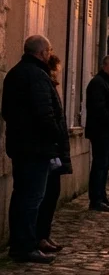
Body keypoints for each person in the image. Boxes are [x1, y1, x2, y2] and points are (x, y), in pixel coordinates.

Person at [2, 36, 66, 263]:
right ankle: (24, 246)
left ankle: (23, 243)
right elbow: (44, 114)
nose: (50, 55)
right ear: (41, 53)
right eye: (48, 51)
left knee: (22, 196)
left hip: (22, 145)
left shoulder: (15, 73)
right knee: (31, 199)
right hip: (35, 148)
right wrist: (56, 137)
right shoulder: (37, 75)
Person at [34, 54, 72, 255]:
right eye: (57, 68)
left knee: (51, 194)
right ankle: (38, 237)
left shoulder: (49, 85)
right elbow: (47, 117)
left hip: (51, 149)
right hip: (46, 149)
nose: (59, 72)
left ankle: (44, 235)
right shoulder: (42, 83)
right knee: (42, 196)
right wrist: (56, 136)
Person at [85, 55, 109, 212]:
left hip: (108, 132)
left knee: (105, 164)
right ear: (104, 66)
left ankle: (101, 196)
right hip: (101, 131)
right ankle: (96, 199)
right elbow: (99, 109)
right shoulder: (98, 83)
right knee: (100, 165)